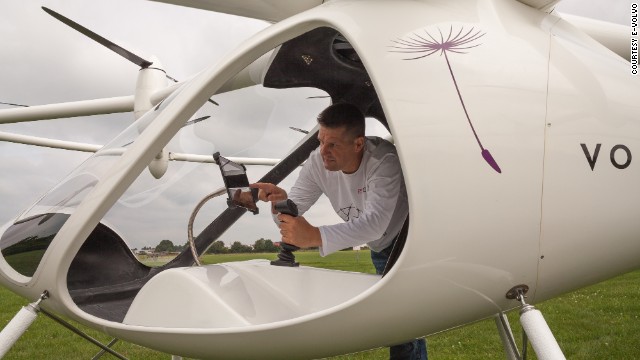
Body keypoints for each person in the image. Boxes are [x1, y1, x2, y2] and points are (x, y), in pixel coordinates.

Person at [251, 102, 427, 360]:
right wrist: (280, 203)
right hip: (379, 247)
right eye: (321, 141)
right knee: (397, 323)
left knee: (403, 325)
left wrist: (315, 236)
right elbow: (292, 213)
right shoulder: (316, 162)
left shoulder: (383, 159)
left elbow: (376, 222)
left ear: (358, 144)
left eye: (333, 144)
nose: (324, 152)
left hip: (407, 240)